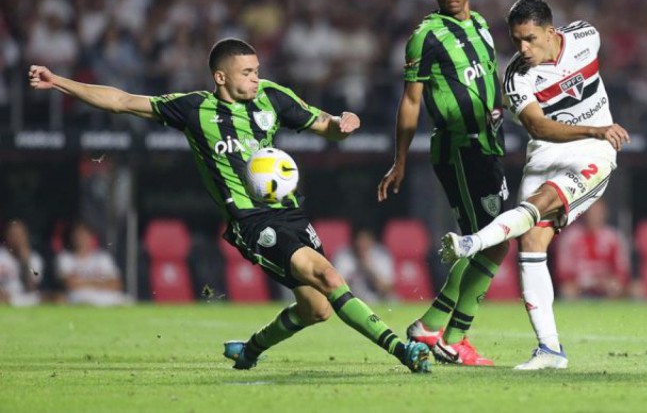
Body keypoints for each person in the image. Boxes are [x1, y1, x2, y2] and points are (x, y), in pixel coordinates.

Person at [28, 38, 431, 374]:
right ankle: (402, 351)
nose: (256, 77)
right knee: (326, 274)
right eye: (247, 72)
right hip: (251, 222)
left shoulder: (273, 97)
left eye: (256, 70)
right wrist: (58, 81)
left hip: (289, 213)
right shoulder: (193, 109)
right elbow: (121, 100)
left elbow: (324, 125)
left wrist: (344, 125)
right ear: (220, 77)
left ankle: (249, 351)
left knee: (318, 308)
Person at [440, 0, 630, 370]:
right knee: (531, 238)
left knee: (541, 203)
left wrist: (597, 130)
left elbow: (591, 73)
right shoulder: (516, 77)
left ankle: (471, 243)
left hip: (595, 151)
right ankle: (550, 351)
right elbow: (539, 127)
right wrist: (595, 124)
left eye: (529, 39)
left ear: (550, 31)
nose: (523, 49)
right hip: (546, 151)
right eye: (516, 42)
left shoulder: (586, 36)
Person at [377, 0, 508, 366]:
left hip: (488, 146)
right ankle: (451, 336)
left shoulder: (483, 26)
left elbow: (487, 79)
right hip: (459, 150)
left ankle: (433, 326)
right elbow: (411, 101)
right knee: (492, 242)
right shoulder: (425, 37)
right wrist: (400, 160)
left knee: (487, 243)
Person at [555, 199, 632, 299]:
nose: (595, 216)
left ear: (604, 213)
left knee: (627, 288)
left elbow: (622, 270)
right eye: (591, 212)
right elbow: (563, 271)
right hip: (579, 284)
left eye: (598, 212)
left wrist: (609, 281)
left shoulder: (614, 237)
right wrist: (582, 282)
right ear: (584, 214)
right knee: (566, 289)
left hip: (607, 284)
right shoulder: (571, 237)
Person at [56, 220, 129, 306]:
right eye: (78, 235)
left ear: (91, 237)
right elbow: (70, 284)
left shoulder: (103, 257)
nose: (81, 239)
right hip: (81, 299)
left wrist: (83, 282)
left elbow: (116, 284)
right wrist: (101, 283)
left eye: (84, 235)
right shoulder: (65, 258)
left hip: (108, 297)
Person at [332, 226, 395, 303]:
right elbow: (337, 289)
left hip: (377, 300)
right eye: (360, 240)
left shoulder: (381, 254)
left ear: (371, 240)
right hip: (351, 301)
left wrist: (369, 268)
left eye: (365, 240)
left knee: (393, 299)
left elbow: (387, 289)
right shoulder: (343, 255)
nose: (362, 244)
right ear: (353, 241)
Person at [0, 219, 44, 306]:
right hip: (4, 296)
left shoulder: (34, 258)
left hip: (26, 296)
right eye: (13, 235)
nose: (17, 239)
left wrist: (25, 261)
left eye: (20, 235)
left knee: (56, 298)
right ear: (7, 236)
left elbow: (32, 287)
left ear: (26, 236)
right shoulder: (1, 255)